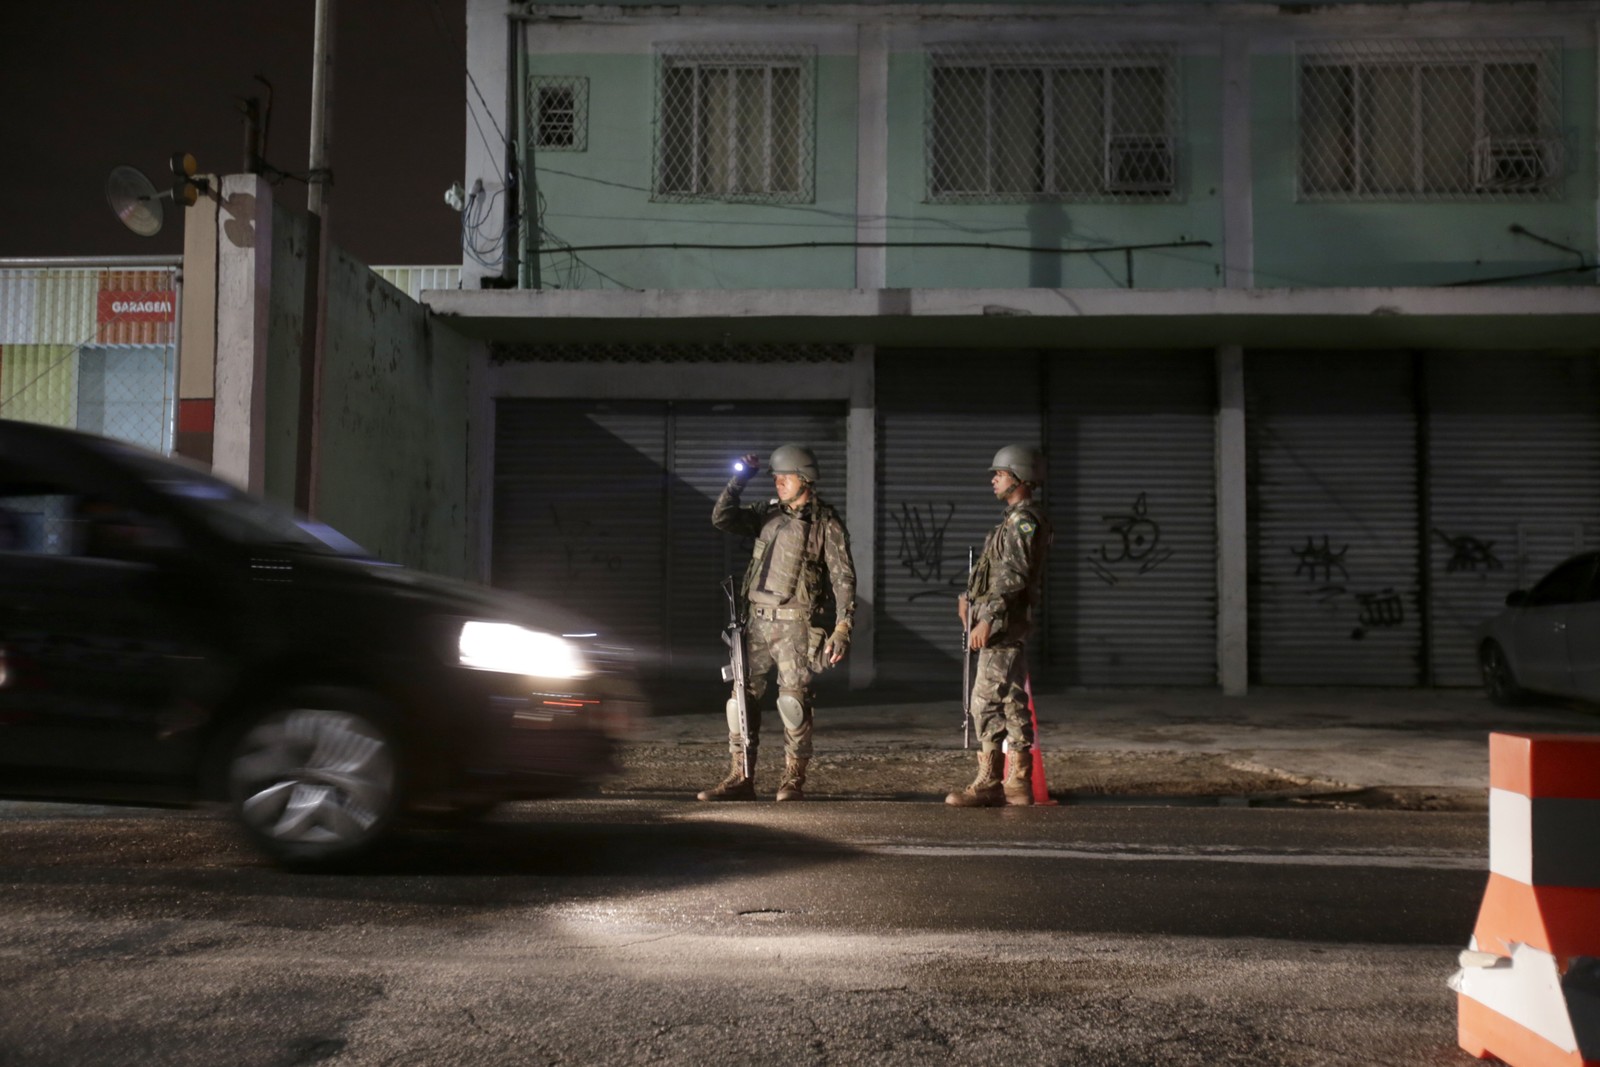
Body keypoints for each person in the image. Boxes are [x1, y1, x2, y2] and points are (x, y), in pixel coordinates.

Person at [699, 444, 856, 802]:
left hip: (796, 626)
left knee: (793, 703)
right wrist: (740, 480)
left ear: (805, 479)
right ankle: (741, 777)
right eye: (775, 477)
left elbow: (844, 578)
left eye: (784, 477)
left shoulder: (825, 523)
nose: (778, 482)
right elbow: (722, 518)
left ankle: (792, 780)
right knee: (740, 699)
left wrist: (843, 628)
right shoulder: (767, 513)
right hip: (755, 622)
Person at [947, 445, 1052, 808]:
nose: (994, 479)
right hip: (1002, 619)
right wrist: (969, 598)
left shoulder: (1024, 521)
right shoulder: (1013, 520)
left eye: (1000, 474)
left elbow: (1015, 575)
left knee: (984, 701)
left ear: (1018, 478)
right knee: (1009, 699)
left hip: (1003, 623)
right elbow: (995, 573)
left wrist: (988, 619)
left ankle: (991, 781)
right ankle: (1017, 783)